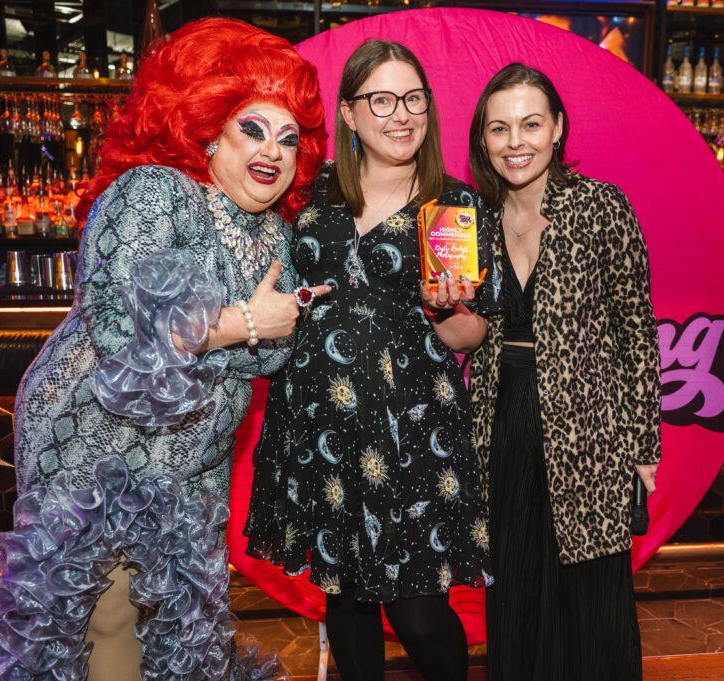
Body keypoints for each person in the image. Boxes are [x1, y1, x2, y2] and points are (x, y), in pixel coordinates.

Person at [0, 18, 329, 681]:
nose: (273, 151)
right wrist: (245, 321)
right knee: (101, 612)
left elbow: (267, 353)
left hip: (191, 461)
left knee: (180, 628)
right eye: (252, 128)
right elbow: (117, 326)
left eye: (289, 138)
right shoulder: (155, 192)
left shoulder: (275, 235)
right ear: (207, 128)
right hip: (96, 439)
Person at [244, 41, 498, 681]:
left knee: (416, 613)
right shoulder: (310, 188)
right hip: (320, 424)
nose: (401, 114)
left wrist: (450, 309)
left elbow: (468, 337)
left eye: (413, 99)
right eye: (381, 100)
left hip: (412, 430)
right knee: (345, 595)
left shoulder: (452, 204)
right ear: (350, 114)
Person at [467, 62, 661, 680]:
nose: (515, 141)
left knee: (590, 598)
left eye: (530, 124)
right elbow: (466, 330)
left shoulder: (602, 207)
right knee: (515, 586)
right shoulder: (469, 220)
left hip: (589, 431)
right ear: (484, 141)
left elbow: (637, 333)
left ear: (558, 129)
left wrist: (643, 445)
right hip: (501, 426)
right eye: (499, 129)